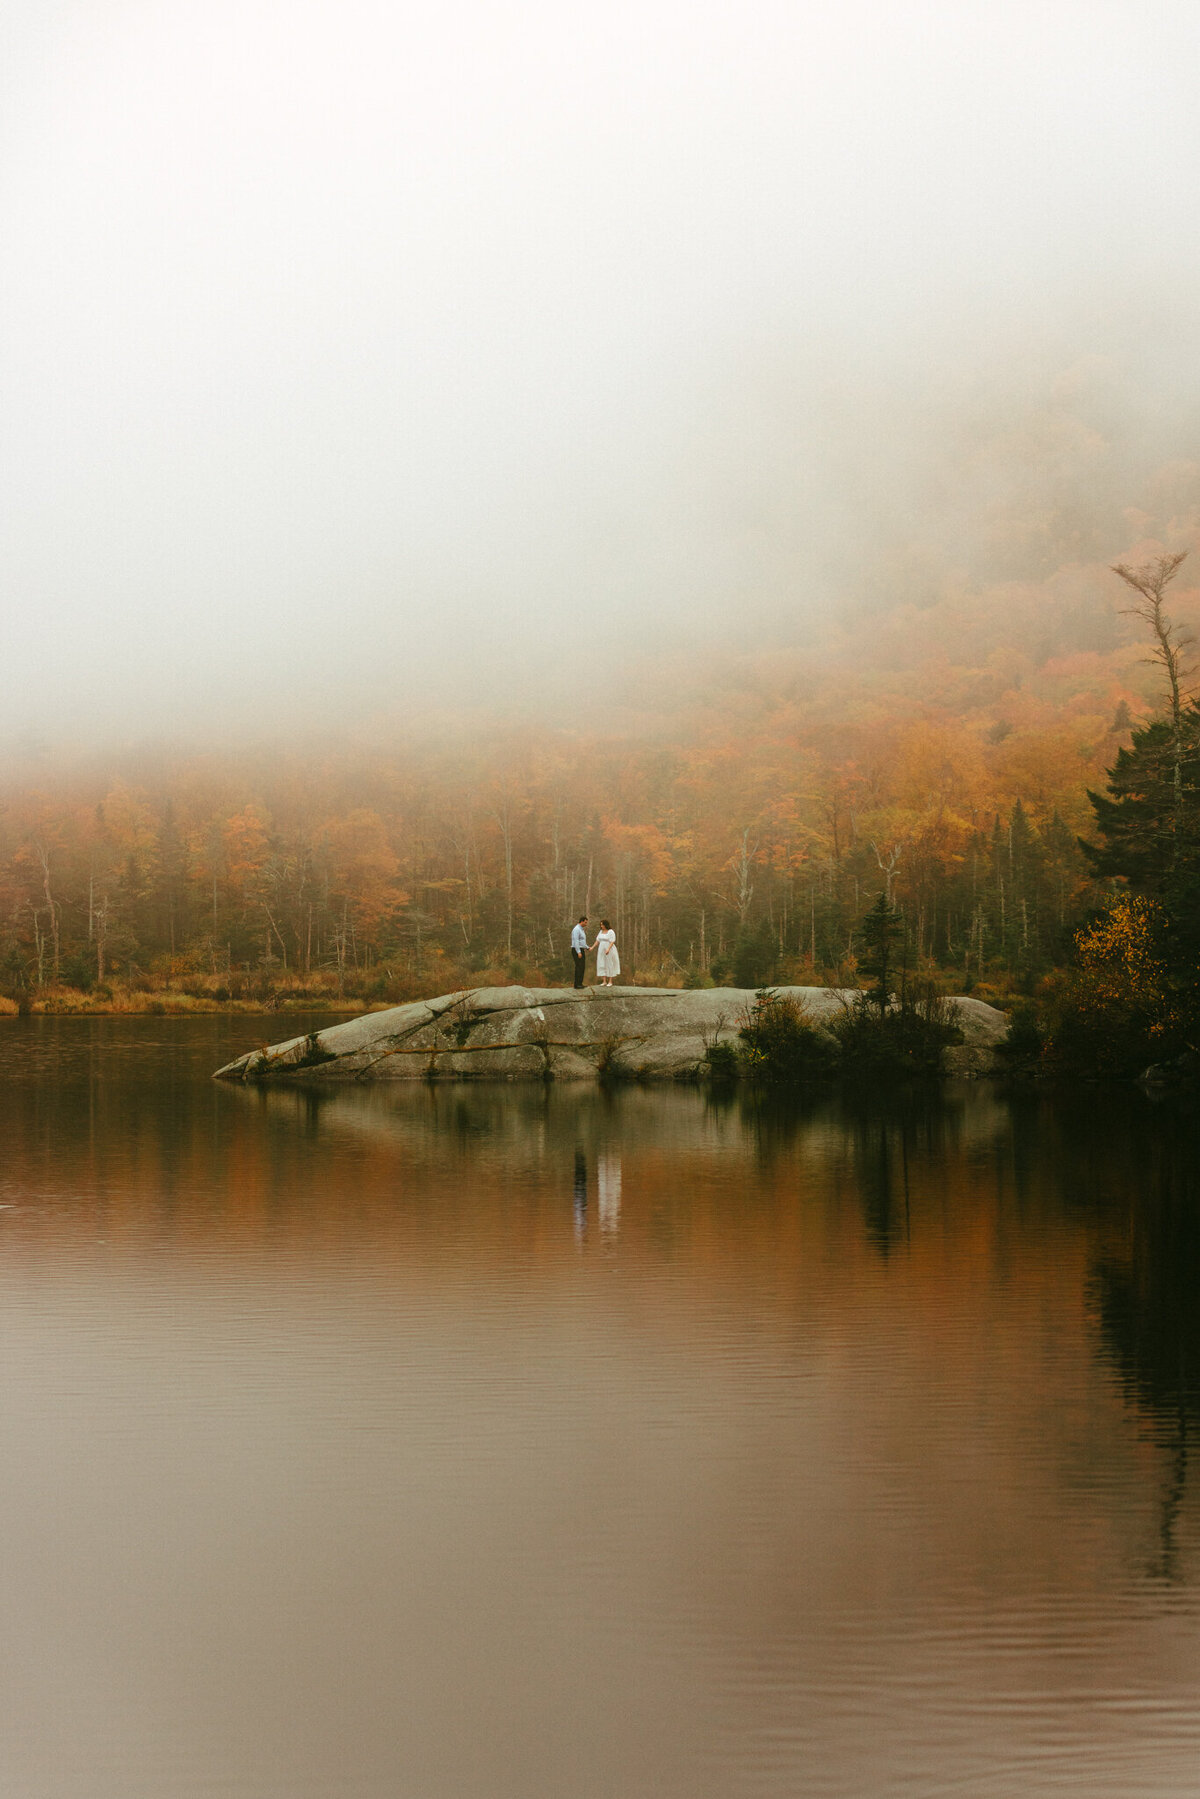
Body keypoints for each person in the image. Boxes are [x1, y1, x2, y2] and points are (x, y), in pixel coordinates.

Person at [591, 918, 620, 987]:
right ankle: (604, 981)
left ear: (605, 925)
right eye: (600, 925)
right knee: (601, 963)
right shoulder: (600, 932)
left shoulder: (611, 931)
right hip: (601, 949)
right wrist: (592, 947)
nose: (601, 926)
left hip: (609, 948)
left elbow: (612, 941)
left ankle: (610, 981)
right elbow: (597, 941)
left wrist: (608, 949)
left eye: (602, 925)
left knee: (609, 963)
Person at [570, 915, 589, 988]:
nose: (586, 924)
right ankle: (577, 984)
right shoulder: (576, 929)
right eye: (585, 922)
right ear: (581, 921)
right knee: (579, 967)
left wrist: (587, 947)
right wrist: (578, 952)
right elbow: (576, 941)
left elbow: (582, 941)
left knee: (582, 967)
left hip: (581, 949)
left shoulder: (581, 929)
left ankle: (580, 983)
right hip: (576, 949)